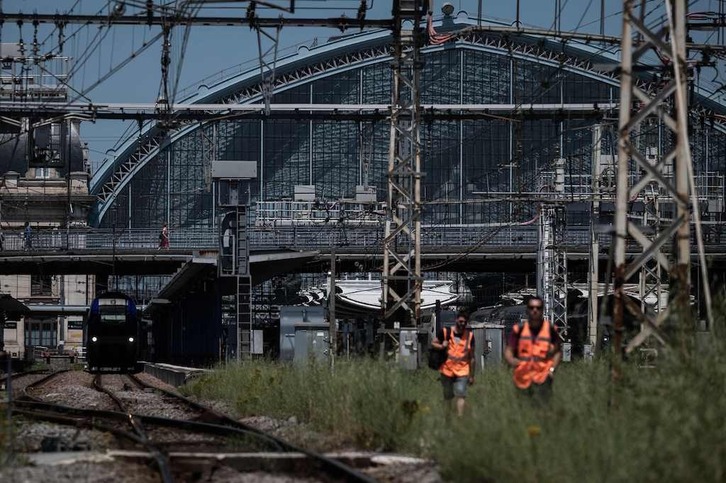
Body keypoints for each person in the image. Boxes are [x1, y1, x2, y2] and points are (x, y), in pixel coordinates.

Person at [504, 296, 562, 404]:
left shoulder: (550, 330)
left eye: (538, 308)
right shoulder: (519, 330)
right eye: (531, 307)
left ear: (542, 310)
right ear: (527, 310)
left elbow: (557, 352)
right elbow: (509, 350)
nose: (535, 310)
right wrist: (513, 362)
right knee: (524, 408)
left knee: (541, 408)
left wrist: (552, 369)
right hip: (523, 377)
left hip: (543, 377)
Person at [431, 310, 475, 417]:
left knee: (461, 394)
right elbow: (433, 343)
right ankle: (447, 417)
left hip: (462, 370)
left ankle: (459, 417)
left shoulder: (469, 336)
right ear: (456, 320)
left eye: (464, 322)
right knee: (448, 396)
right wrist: (442, 346)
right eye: (460, 321)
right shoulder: (445, 332)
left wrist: (471, 375)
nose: (462, 324)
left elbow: (472, 357)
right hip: (447, 369)